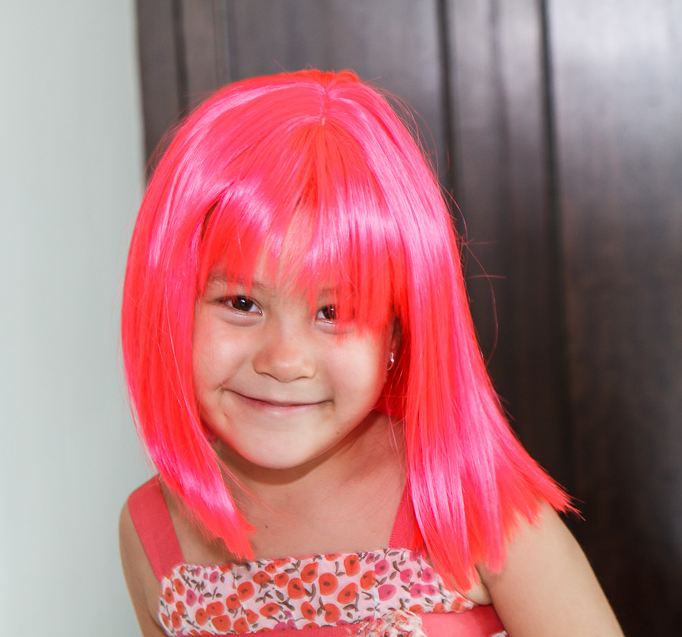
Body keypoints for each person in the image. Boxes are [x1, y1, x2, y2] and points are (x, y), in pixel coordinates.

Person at [118, 69, 622, 637]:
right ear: (169, 309)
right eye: (241, 302)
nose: (284, 360)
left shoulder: (468, 502)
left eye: (333, 313)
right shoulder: (152, 530)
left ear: (397, 336)